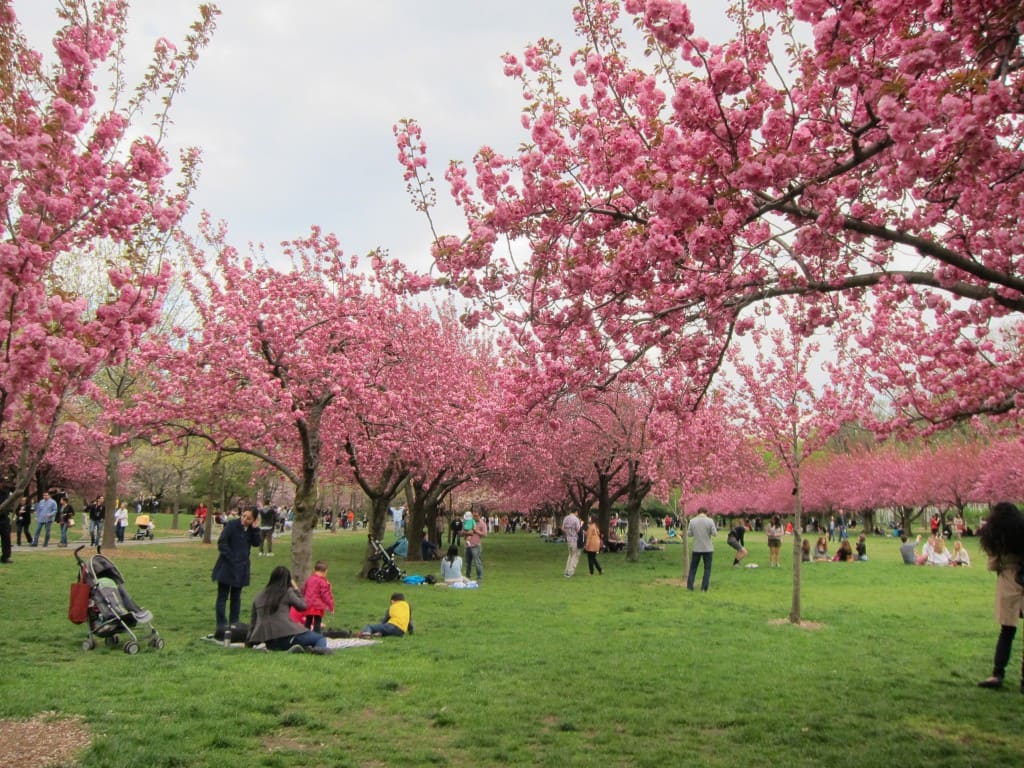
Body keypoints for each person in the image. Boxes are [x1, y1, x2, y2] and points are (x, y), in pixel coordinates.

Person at [976, 501, 1024, 691]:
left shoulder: (996, 539)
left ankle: (998, 673)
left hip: (1008, 582)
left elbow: (992, 565)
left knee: (1007, 631)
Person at [248, 566, 329, 653]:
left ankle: (296, 649)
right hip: (288, 634)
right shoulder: (287, 592)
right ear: (288, 580)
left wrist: (249, 642)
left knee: (291, 642)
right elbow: (303, 606)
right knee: (319, 638)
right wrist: (296, 589)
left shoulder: (259, 596)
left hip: (270, 642)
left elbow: (253, 622)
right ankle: (317, 651)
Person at [211, 506, 262, 632]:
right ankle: (221, 624)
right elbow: (222, 543)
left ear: (253, 520)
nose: (244, 519)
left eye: (249, 518)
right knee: (222, 596)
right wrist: (232, 558)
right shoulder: (232, 525)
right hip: (227, 565)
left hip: (241, 568)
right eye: (244, 516)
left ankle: (234, 623)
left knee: (236, 597)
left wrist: (255, 528)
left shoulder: (251, 530)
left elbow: (256, 543)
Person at [686, 507, 717, 592]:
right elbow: (714, 533)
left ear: (698, 512)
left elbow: (689, 534)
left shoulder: (692, 521)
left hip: (696, 548)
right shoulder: (710, 521)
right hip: (708, 548)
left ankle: (690, 586)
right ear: (706, 512)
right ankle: (704, 588)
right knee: (707, 569)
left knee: (693, 568)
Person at [301, 560, 335, 633]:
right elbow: (325, 595)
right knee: (317, 622)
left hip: (308, 604)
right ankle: (316, 636)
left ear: (314, 570)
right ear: (324, 572)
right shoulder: (322, 582)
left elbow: (304, 590)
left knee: (308, 621)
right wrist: (331, 606)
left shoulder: (309, 579)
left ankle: (305, 634)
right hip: (318, 606)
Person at [463, 510, 487, 583]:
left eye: (476, 516)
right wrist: (467, 532)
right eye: (474, 515)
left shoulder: (482, 523)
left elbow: (485, 534)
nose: (475, 517)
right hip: (468, 545)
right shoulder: (469, 522)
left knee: (477, 562)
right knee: (468, 562)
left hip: (476, 546)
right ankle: (467, 577)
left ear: (479, 515)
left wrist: (476, 531)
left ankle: (479, 577)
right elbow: (462, 532)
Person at [561, 509, 583, 577]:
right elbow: (578, 529)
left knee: (570, 555)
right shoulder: (576, 519)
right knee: (575, 555)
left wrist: (568, 532)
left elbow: (562, 528)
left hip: (569, 539)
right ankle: (570, 572)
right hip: (575, 539)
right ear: (576, 512)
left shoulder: (566, 518)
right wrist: (581, 524)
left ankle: (567, 570)